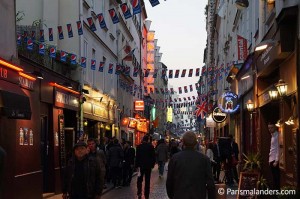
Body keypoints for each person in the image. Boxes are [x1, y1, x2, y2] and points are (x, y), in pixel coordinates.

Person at [166, 131, 215, 199]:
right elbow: (210, 183)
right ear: (195, 143)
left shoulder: (175, 158)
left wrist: (172, 196)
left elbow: (169, 181)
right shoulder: (204, 159)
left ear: (183, 142)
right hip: (198, 196)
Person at [268, 123, 280, 190]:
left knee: (276, 177)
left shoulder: (277, 135)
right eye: (269, 128)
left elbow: (278, 148)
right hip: (271, 159)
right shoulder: (272, 136)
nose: (270, 129)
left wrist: (276, 160)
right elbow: (272, 148)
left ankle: (277, 191)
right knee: (273, 176)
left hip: (275, 160)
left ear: (275, 127)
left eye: (271, 127)